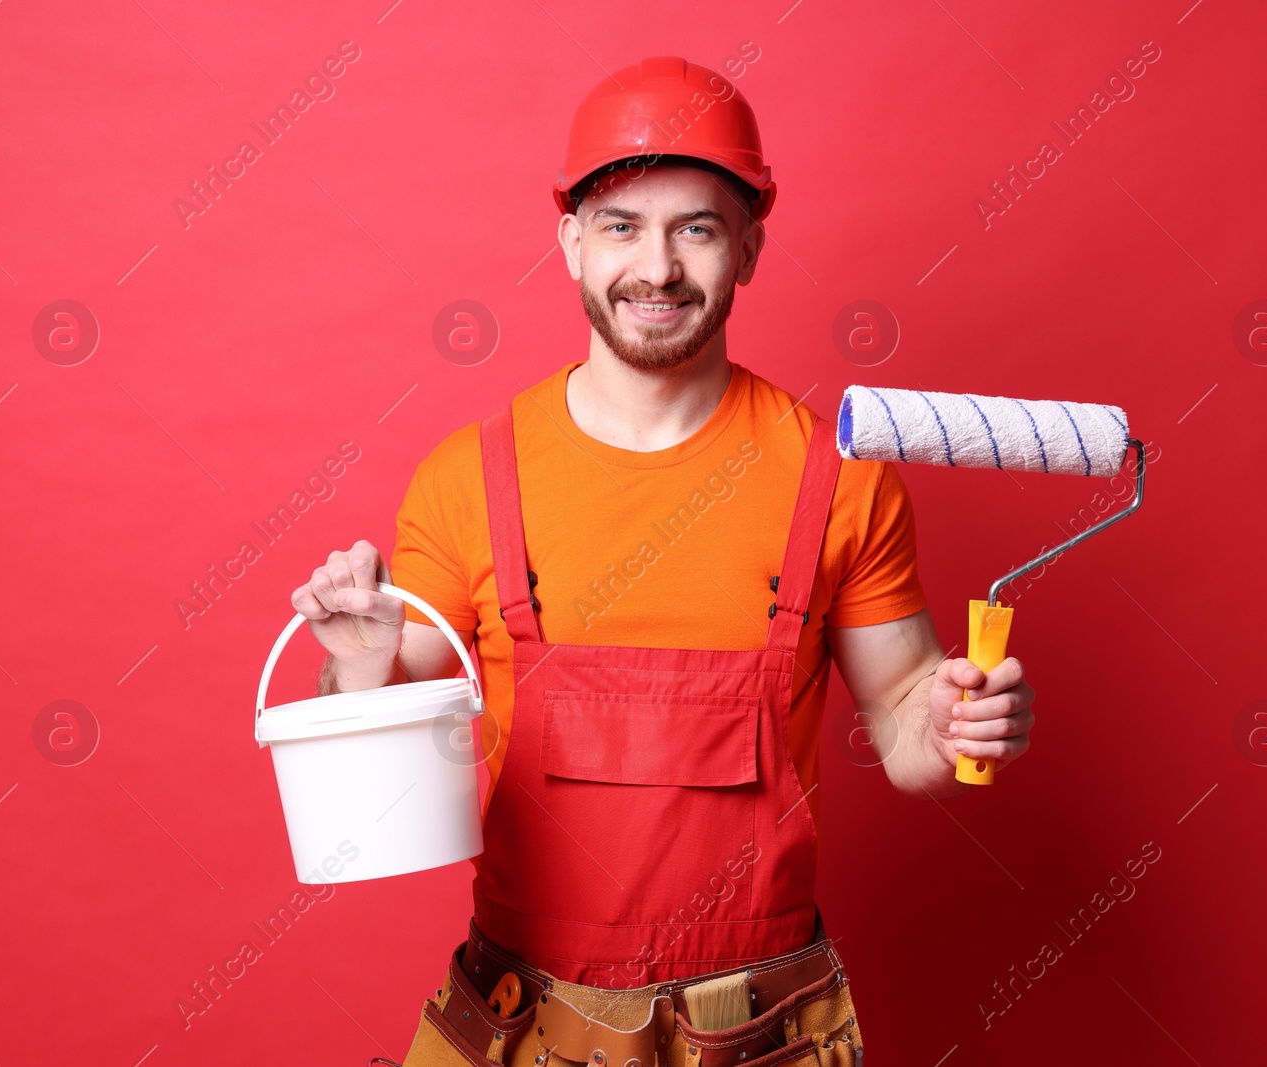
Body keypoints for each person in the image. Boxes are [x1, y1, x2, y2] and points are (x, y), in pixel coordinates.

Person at [291, 56, 1036, 1067]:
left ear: (749, 248)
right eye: (621, 226)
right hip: (523, 1022)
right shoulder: (469, 478)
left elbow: (907, 723)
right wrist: (360, 657)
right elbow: (379, 730)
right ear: (568, 244)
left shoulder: (841, 481)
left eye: (696, 227)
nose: (657, 268)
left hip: (760, 1032)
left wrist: (957, 723)